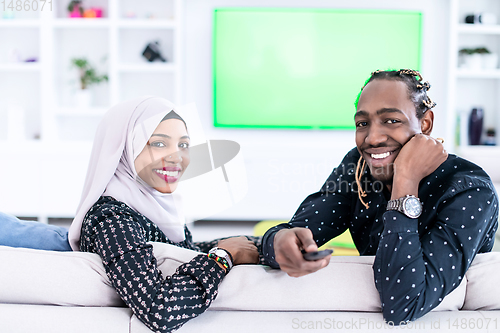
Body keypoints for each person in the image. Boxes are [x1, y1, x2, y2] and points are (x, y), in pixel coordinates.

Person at [2, 96, 260, 333]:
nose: (177, 157)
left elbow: (179, 249)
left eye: (184, 145)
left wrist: (251, 242)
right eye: (159, 143)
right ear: (125, 146)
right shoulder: (113, 219)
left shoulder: (154, 205)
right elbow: (161, 310)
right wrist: (222, 257)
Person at [262, 69, 499, 324]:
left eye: (391, 120)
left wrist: (405, 180)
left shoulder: (470, 191)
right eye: (362, 124)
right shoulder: (358, 168)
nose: (372, 138)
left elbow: (403, 305)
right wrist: (279, 241)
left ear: (426, 124)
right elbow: (291, 234)